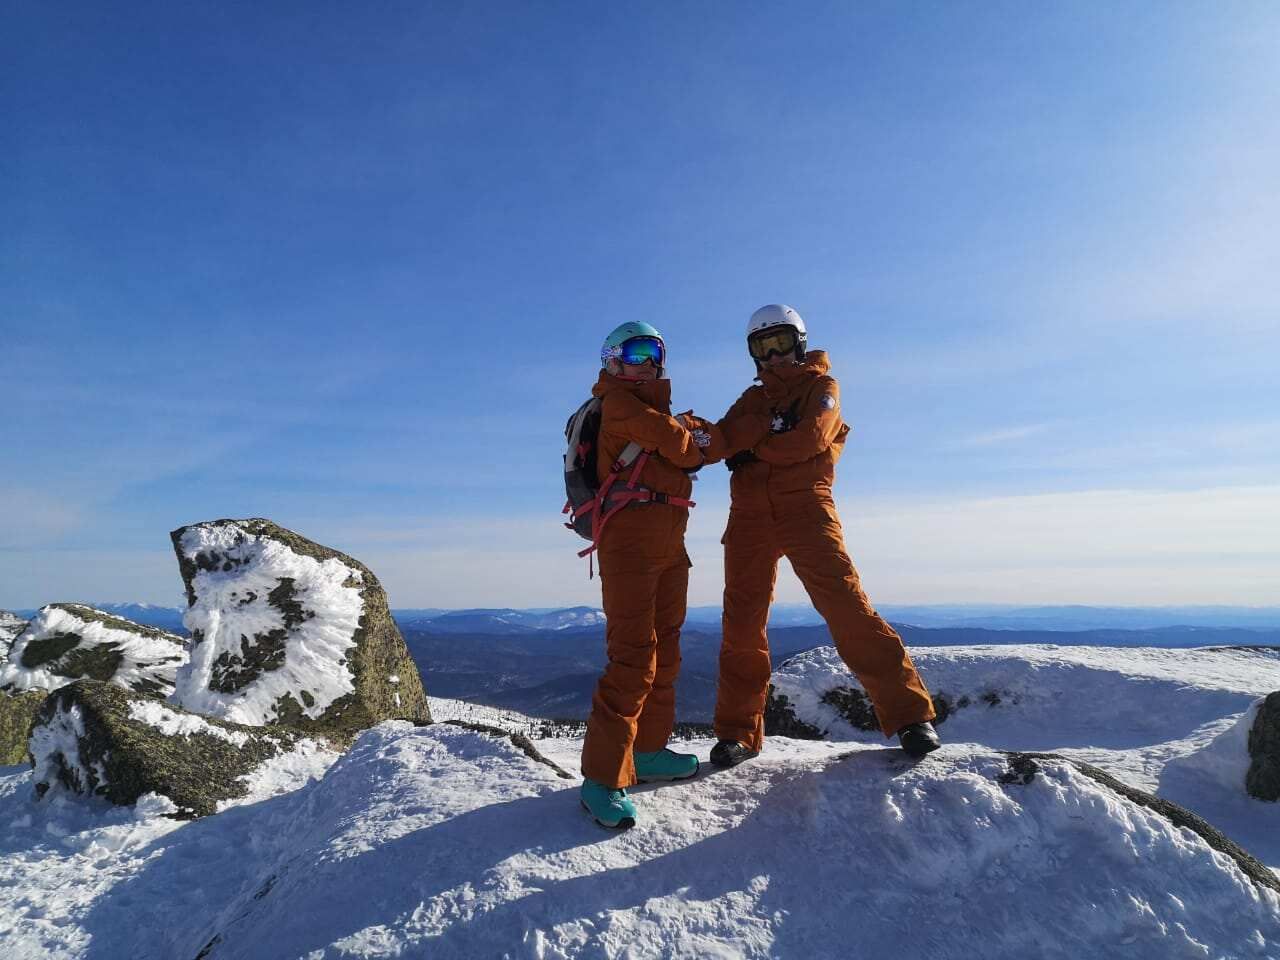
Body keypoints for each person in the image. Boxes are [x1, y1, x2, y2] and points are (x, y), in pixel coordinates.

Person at [705, 304, 941, 767]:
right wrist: (699, 434)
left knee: (847, 609)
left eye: (781, 344)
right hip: (749, 517)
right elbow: (717, 442)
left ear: (800, 341)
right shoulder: (752, 400)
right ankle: (737, 733)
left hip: (807, 511)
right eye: (762, 347)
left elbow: (809, 439)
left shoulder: (822, 387)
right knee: (741, 624)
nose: (773, 356)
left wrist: (752, 446)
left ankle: (911, 716)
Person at [579, 321, 721, 828]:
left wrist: (690, 429)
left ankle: (647, 750)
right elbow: (688, 448)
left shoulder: (652, 412)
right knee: (633, 659)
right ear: (612, 359)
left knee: (666, 650)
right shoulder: (619, 406)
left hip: (668, 545)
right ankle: (602, 778)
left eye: (654, 352)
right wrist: (692, 430)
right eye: (636, 352)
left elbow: (692, 441)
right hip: (631, 548)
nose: (647, 362)